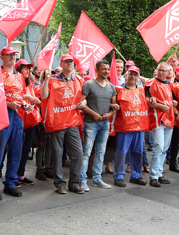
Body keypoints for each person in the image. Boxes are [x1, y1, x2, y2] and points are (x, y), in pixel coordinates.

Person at [0, 46, 30, 200]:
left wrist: (26, 104)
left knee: (16, 151)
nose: (12, 57)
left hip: (17, 116)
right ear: (2, 57)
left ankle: (10, 183)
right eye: (9, 55)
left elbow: (21, 96)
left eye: (14, 55)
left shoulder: (19, 76)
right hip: (1, 115)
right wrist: (8, 103)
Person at [40, 54, 86, 194]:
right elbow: (43, 96)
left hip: (72, 122)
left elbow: (85, 99)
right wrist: (46, 79)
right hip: (57, 123)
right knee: (58, 153)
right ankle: (60, 184)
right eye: (67, 62)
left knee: (78, 153)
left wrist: (84, 103)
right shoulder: (52, 80)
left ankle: (74, 183)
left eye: (71, 62)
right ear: (62, 63)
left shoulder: (79, 80)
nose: (69, 64)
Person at [79, 59, 117, 191]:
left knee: (100, 153)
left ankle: (96, 179)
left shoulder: (111, 87)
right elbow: (81, 104)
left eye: (107, 69)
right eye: (104, 69)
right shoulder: (88, 84)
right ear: (97, 70)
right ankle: (82, 180)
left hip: (105, 124)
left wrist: (109, 115)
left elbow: (114, 106)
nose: (106, 71)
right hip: (90, 123)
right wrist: (94, 114)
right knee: (86, 152)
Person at [113, 66, 149, 187]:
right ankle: (118, 176)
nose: (133, 76)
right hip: (124, 127)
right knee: (122, 152)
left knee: (138, 151)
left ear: (138, 77)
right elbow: (112, 104)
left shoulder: (142, 90)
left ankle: (136, 175)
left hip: (139, 126)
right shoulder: (118, 89)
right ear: (126, 75)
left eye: (135, 74)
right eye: (131, 74)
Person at [145, 62, 175, 187]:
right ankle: (153, 176)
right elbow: (147, 102)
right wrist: (161, 106)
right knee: (158, 147)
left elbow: (172, 100)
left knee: (164, 148)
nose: (161, 72)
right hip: (158, 119)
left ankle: (159, 173)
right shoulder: (150, 83)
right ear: (156, 70)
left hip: (169, 119)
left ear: (168, 72)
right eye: (159, 70)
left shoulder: (170, 85)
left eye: (164, 71)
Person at [15, 59, 41, 185]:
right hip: (19, 119)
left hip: (30, 120)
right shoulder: (15, 81)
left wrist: (33, 104)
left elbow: (33, 99)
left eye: (28, 68)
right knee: (16, 149)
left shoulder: (30, 83)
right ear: (18, 69)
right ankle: (12, 174)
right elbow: (15, 95)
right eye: (25, 68)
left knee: (26, 149)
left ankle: (20, 174)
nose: (28, 70)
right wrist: (26, 100)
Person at [168, 64, 179, 173]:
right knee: (174, 141)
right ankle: (172, 162)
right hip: (175, 118)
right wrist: (176, 113)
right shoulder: (172, 85)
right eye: (178, 75)